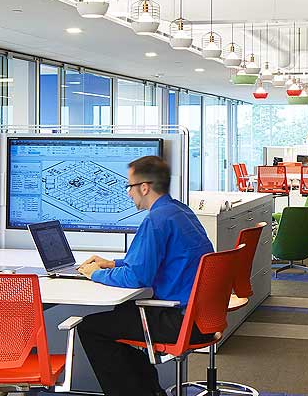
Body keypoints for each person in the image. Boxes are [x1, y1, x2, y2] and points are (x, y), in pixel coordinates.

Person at [76, 156, 214, 396]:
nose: (128, 193)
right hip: (201, 317)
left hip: (179, 320)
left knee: (90, 328)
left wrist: (96, 274)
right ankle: (150, 391)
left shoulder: (156, 220)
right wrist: (112, 264)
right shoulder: (180, 211)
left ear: (144, 187)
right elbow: (153, 262)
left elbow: (137, 277)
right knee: (122, 313)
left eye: (129, 186)